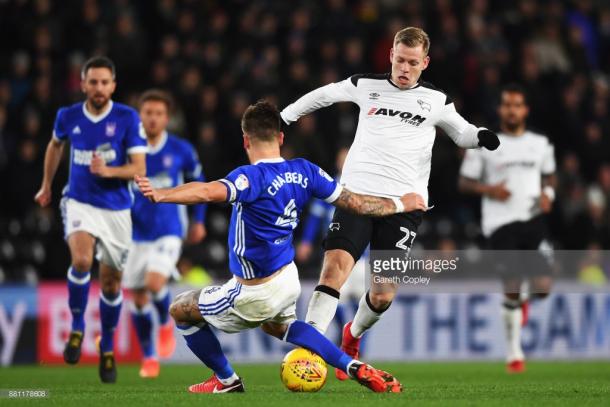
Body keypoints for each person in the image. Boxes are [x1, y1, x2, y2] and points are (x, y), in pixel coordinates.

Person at [134, 100, 427, 393]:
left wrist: (163, 194)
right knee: (278, 326)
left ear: (246, 139)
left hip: (252, 290)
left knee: (180, 308)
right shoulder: (306, 170)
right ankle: (353, 366)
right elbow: (358, 204)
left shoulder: (251, 177)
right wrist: (401, 203)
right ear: (281, 138)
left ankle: (226, 380)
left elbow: (208, 191)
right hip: (288, 279)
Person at [280, 26, 500, 380]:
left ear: (424, 63)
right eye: (399, 59)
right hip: (356, 197)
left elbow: (461, 131)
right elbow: (324, 95)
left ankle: (352, 334)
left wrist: (481, 137)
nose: (404, 67)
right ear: (391, 56)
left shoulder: (436, 101)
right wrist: (285, 116)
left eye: (412, 62)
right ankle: (310, 354)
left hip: (404, 206)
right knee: (333, 270)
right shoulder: (366, 85)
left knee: (381, 295)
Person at [34, 56, 147, 383]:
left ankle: (108, 346)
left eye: (104, 82)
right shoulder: (68, 116)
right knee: (82, 261)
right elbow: (54, 146)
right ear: (83, 84)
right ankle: (78, 325)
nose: (98, 88)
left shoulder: (127, 117)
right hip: (80, 201)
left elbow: (138, 168)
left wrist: (108, 170)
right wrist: (45, 185)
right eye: (92, 82)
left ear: (113, 86)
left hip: (116, 209)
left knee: (111, 282)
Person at [458, 83, 556, 373]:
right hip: (500, 224)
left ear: (525, 110)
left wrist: (549, 195)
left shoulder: (540, 144)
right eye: (507, 104)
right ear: (500, 109)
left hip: (533, 221)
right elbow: (464, 182)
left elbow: (550, 177)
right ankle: (514, 352)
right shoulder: (486, 144)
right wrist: (490, 189)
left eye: (517, 105)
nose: (511, 110)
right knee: (511, 287)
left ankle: (526, 298)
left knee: (543, 288)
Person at [124, 90, 207, 378]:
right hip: (134, 234)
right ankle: (149, 357)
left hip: (169, 229)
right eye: (148, 113)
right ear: (140, 116)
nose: (153, 118)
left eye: (159, 113)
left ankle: (162, 324)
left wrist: (199, 220)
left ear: (166, 117)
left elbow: (200, 182)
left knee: (154, 281)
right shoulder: (128, 149)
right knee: (137, 298)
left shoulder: (181, 150)